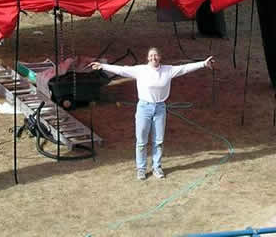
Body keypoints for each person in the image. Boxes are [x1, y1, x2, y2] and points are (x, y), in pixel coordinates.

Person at [89, 48, 215, 180]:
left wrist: (203, 64)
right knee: (141, 142)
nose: (153, 58)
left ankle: (157, 167)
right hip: (144, 108)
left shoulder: (168, 70)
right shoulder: (140, 70)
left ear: (160, 57)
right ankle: (141, 169)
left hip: (160, 108)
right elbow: (121, 70)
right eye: (151, 55)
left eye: (156, 55)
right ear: (147, 58)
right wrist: (102, 66)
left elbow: (184, 68)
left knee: (158, 141)